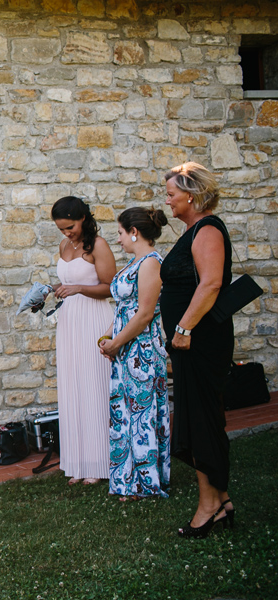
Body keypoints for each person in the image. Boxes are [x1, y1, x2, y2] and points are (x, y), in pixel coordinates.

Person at [160, 163, 235, 538]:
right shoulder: (191, 230)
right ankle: (220, 499)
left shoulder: (207, 230)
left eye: (172, 193)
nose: (168, 200)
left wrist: (184, 328)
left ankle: (209, 506)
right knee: (198, 416)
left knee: (202, 419)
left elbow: (211, 283)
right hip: (187, 342)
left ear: (191, 195)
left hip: (201, 341)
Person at [99, 208, 170, 501]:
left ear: (134, 232)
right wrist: (107, 337)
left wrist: (117, 343)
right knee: (125, 414)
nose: (117, 240)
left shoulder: (151, 264)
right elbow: (123, 310)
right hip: (125, 349)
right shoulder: (134, 262)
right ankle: (127, 481)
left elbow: (143, 315)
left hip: (141, 351)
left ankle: (145, 483)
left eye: (119, 233)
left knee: (141, 415)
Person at [51, 196, 116, 485]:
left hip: (93, 320)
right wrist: (55, 289)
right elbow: (68, 280)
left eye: (70, 227)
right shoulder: (65, 245)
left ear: (83, 218)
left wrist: (78, 288)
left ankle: (101, 461)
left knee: (94, 386)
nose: (67, 234)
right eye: (62, 229)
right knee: (73, 387)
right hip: (69, 322)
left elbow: (111, 287)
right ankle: (78, 462)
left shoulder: (97, 245)